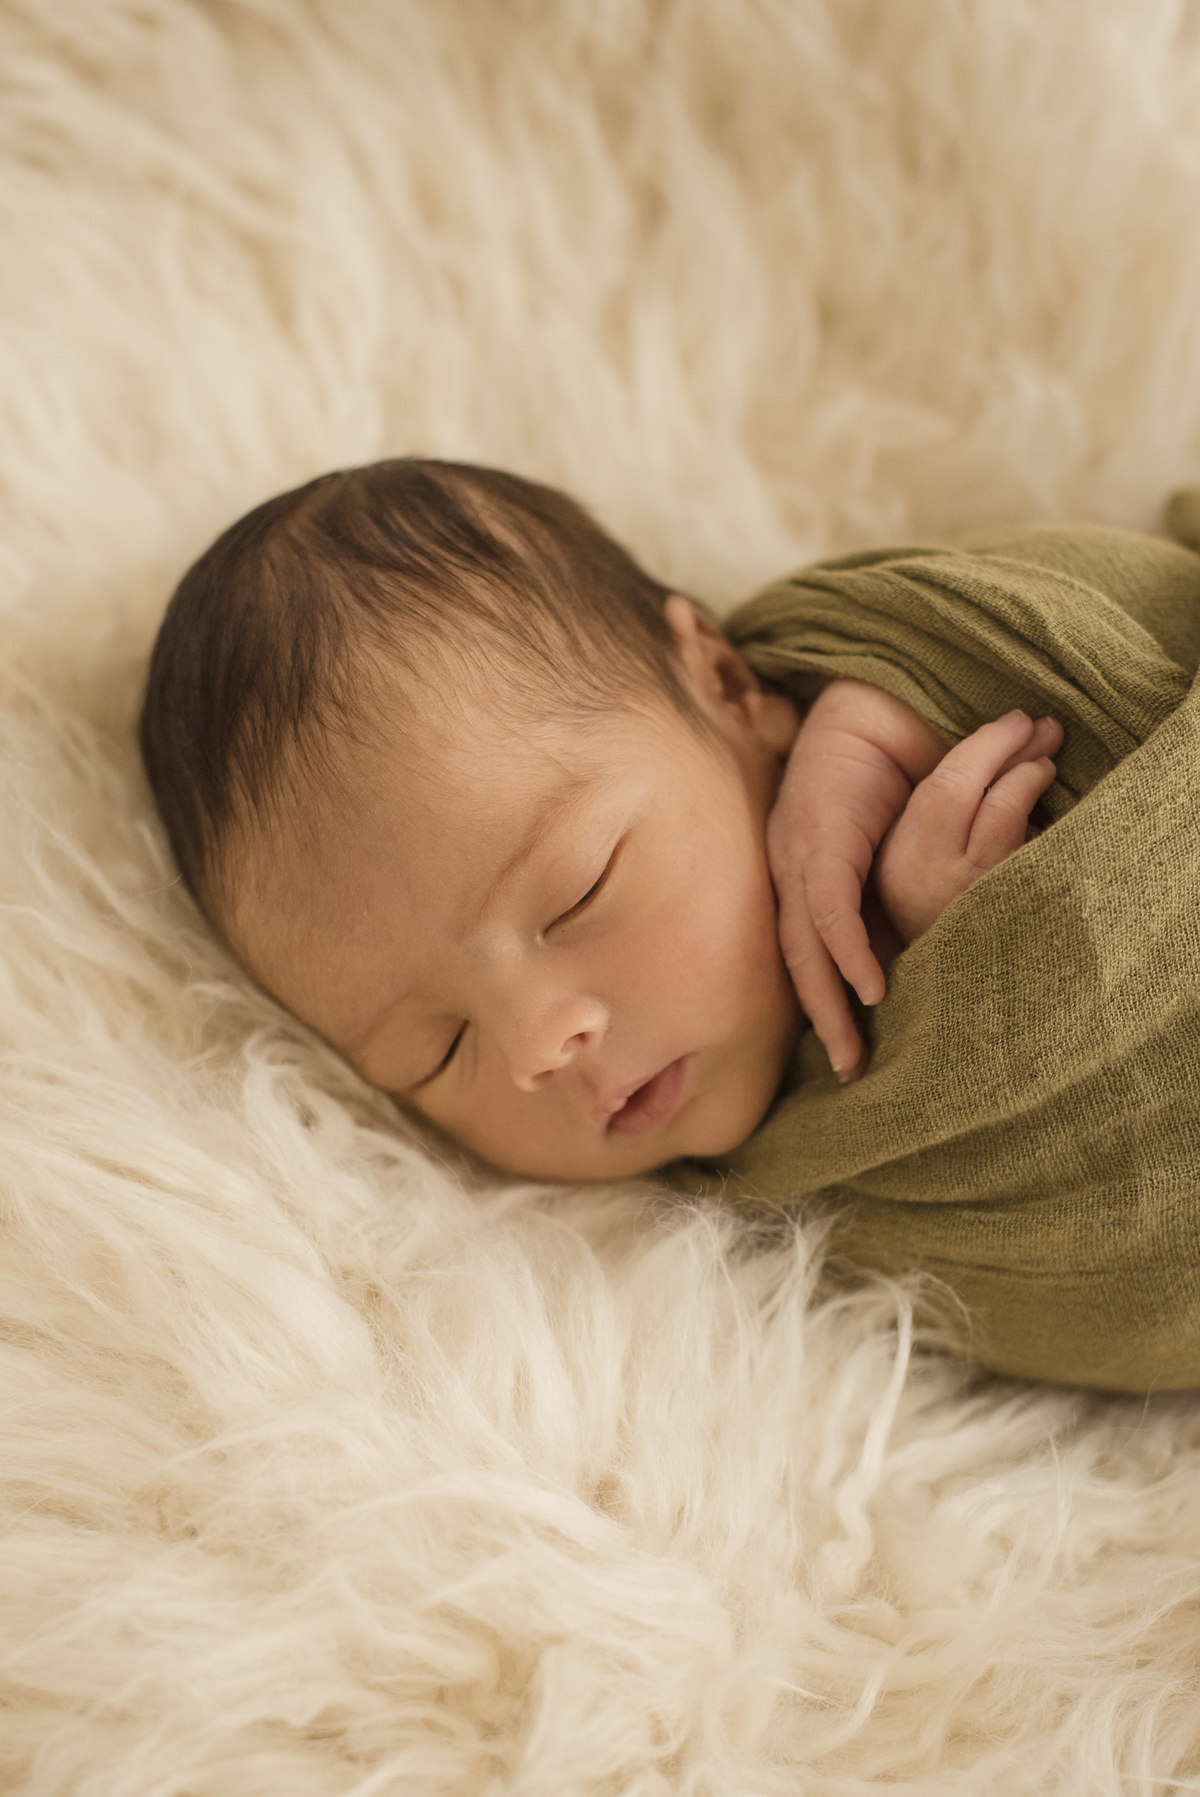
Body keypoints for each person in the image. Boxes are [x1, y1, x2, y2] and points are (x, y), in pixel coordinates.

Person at [138, 458, 1059, 1183]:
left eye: (580, 890)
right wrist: (947, 968)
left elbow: (1097, 620)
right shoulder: (701, 1240)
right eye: (436, 1052)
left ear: (728, 686)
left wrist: (881, 725)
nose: (539, 1043)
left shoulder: (885, 682)